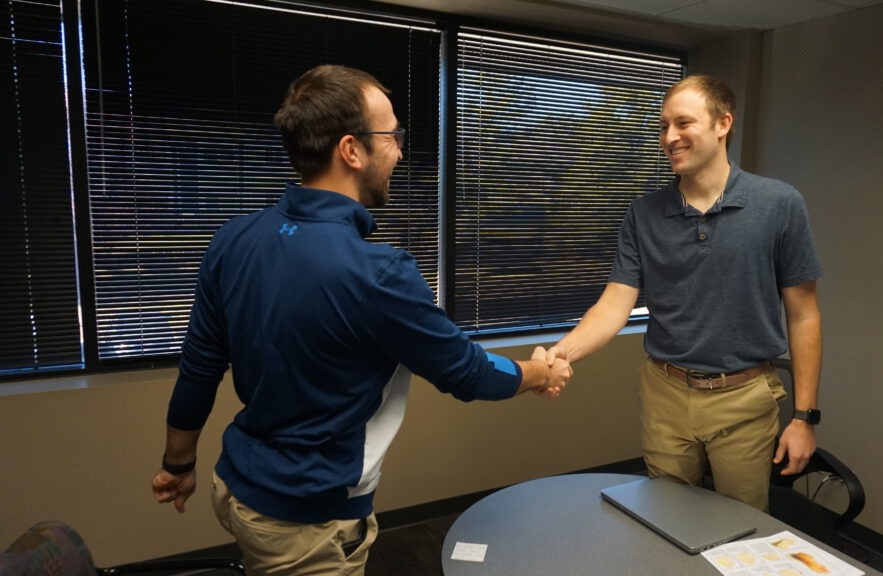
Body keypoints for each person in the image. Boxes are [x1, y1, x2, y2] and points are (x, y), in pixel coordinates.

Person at [151, 64, 571, 576]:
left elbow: (198, 367)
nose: (399, 149)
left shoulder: (234, 239)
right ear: (351, 149)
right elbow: (468, 373)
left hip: (235, 487)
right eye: (392, 135)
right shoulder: (378, 274)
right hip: (305, 521)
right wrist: (540, 373)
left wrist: (177, 465)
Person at [546, 74, 823, 512]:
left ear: (722, 123)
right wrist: (563, 352)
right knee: (669, 519)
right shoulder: (644, 213)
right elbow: (615, 304)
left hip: (743, 398)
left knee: (741, 528)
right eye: (662, 127)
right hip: (665, 393)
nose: (669, 137)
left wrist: (805, 418)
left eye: (683, 123)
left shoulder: (779, 204)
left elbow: (804, 314)